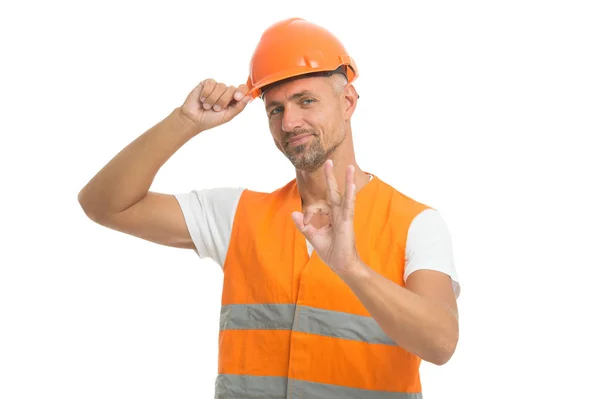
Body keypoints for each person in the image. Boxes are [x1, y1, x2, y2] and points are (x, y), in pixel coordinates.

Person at [78, 17, 460, 399]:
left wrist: (353, 270)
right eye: (275, 110)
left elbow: (440, 344)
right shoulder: (237, 215)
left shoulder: (415, 223)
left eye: (306, 101)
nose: (290, 122)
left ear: (347, 102)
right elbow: (103, 204)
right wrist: (185, 122)